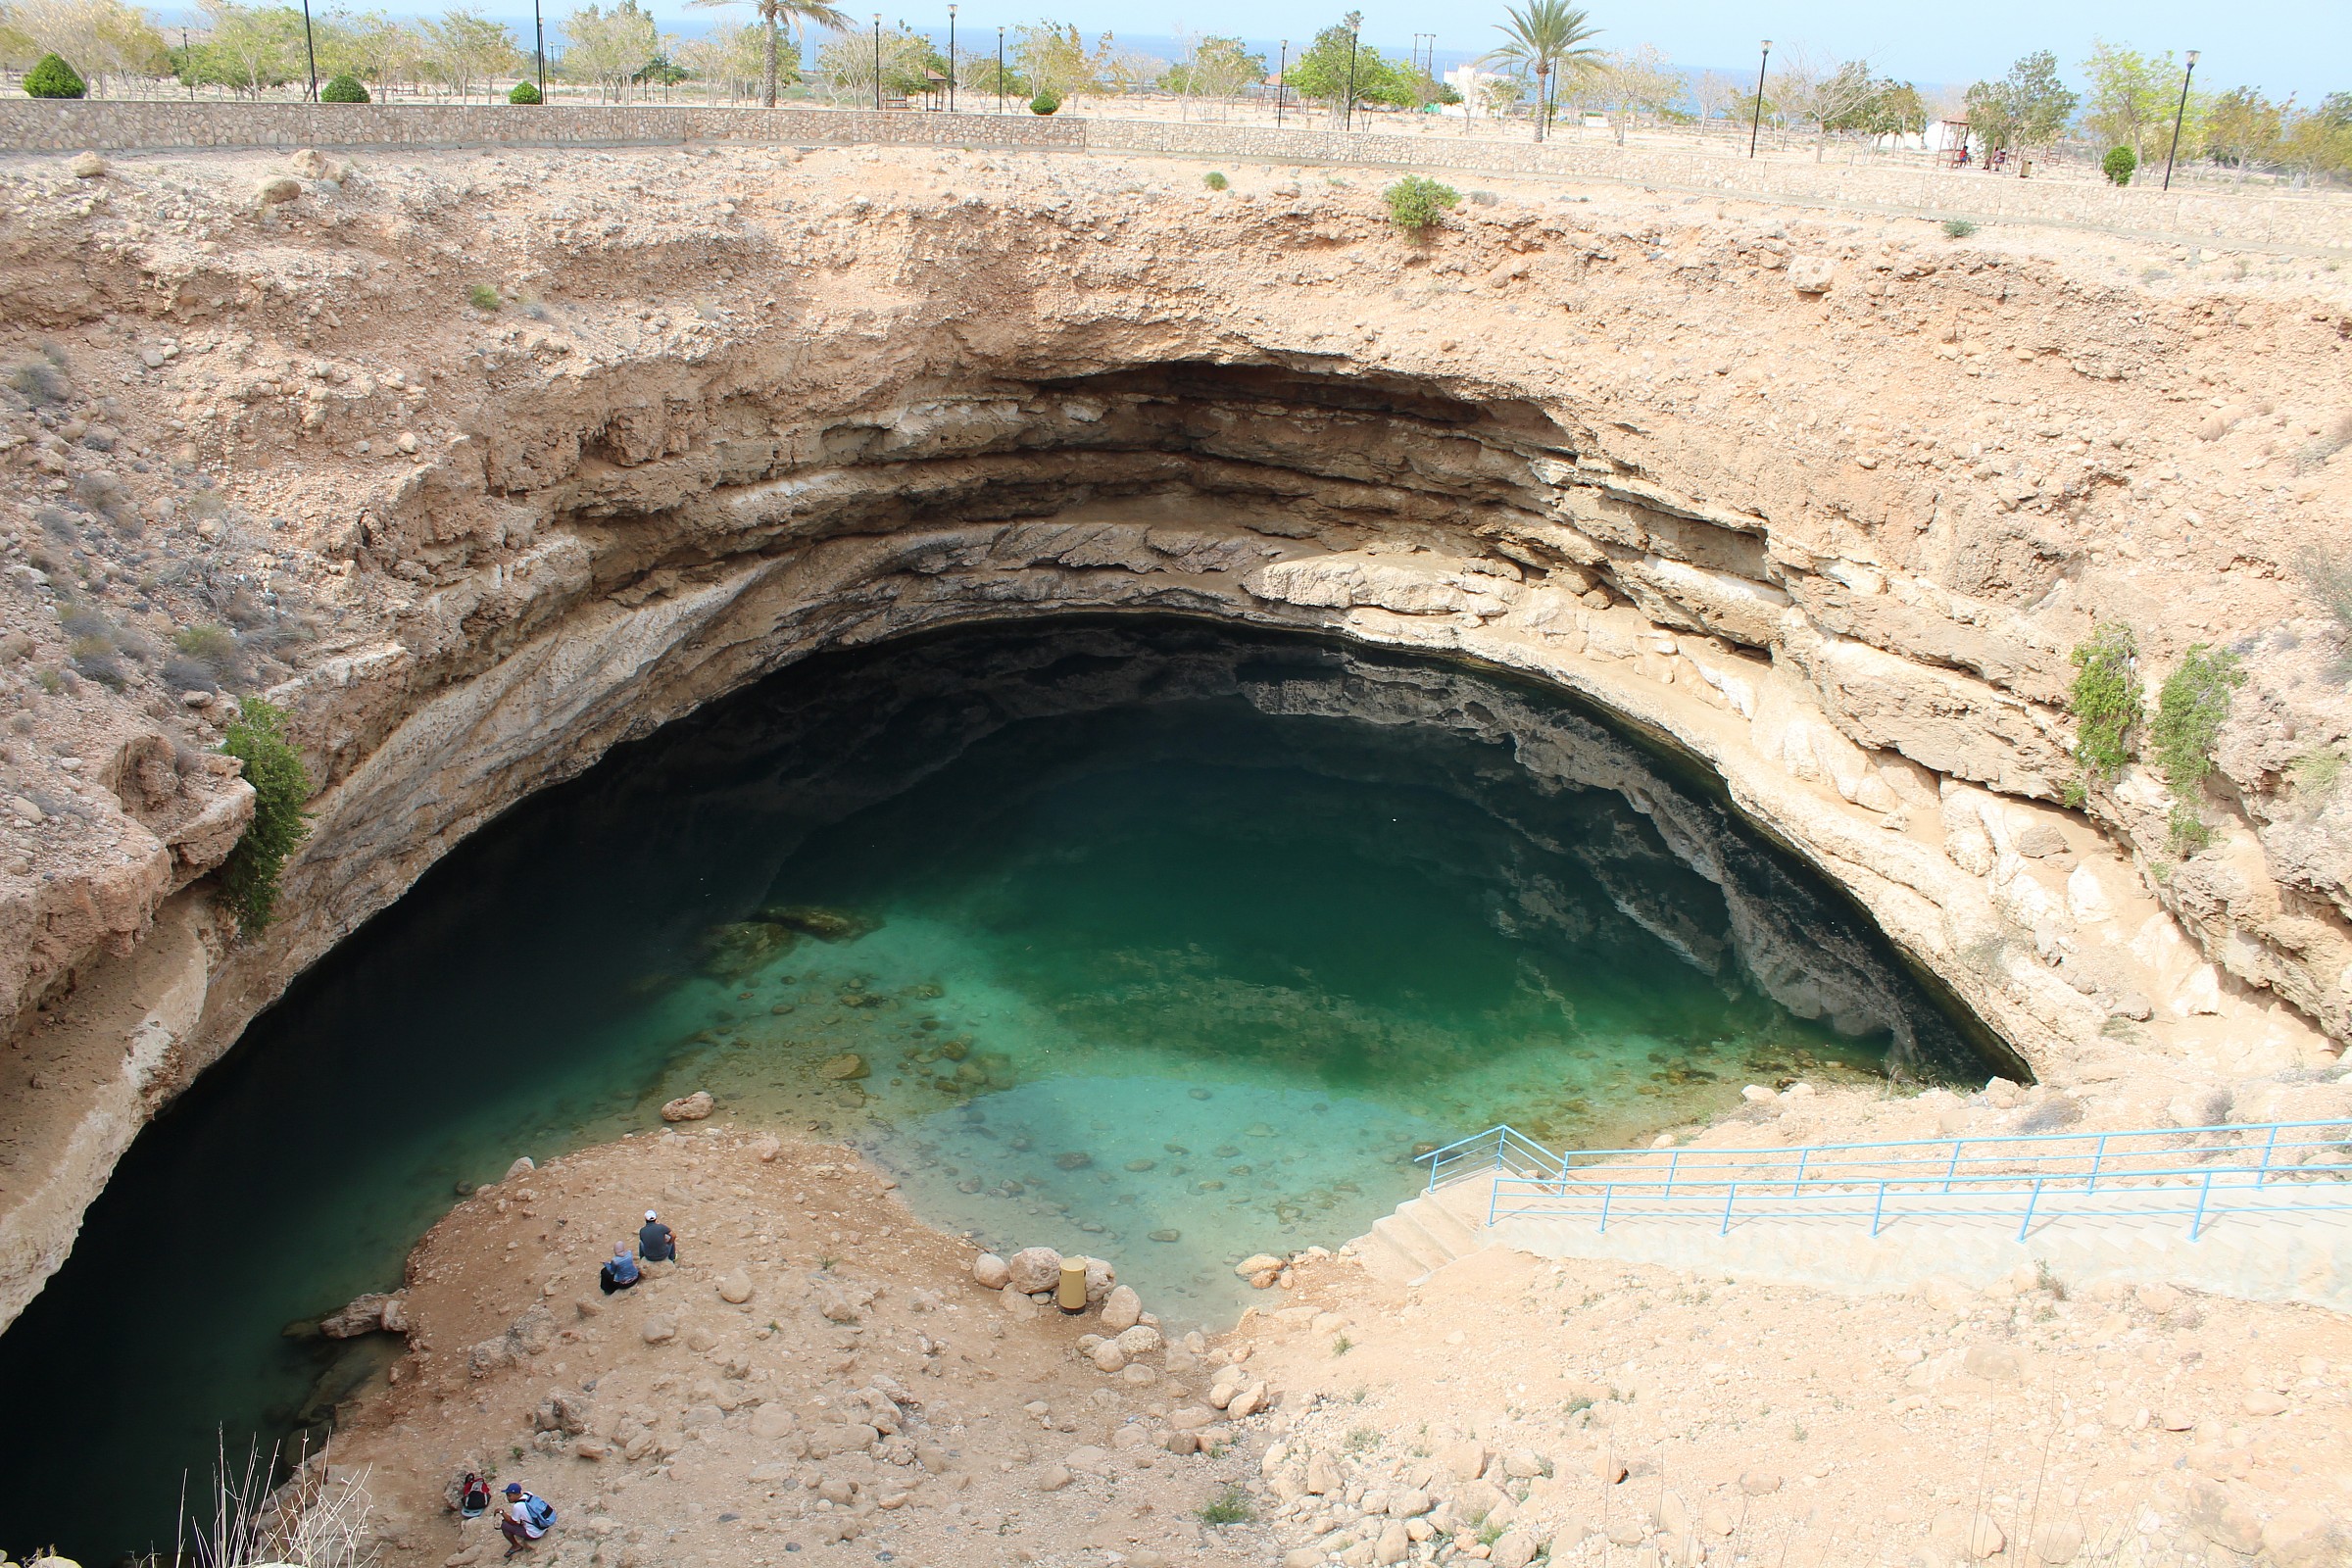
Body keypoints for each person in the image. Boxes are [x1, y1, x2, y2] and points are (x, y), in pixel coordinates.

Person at [500, 1482, 555, 1558]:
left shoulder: (517, 1506)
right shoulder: (528, 1494)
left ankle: (515, 1546)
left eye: (509, 1495)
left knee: (504, 1524)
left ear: (517, 1494)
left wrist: (501, 1512)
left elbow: (512, 1521)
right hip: (543, 1526)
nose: (508, 1498)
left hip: (534, 1534)